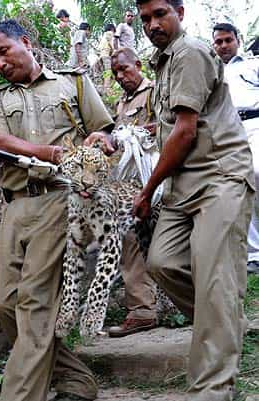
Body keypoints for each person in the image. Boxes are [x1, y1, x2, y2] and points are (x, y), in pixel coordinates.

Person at [0, 19, 114, 401]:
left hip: (61, 199)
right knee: (5, 303)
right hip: (17, 204)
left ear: (25, 42)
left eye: (4, 51)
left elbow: (103, 129)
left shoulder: (71, 82)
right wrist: (48, 151)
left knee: (35, 302)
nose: (0, 63)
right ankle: (75, 380)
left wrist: (99, 140)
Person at [133, 1, 255, 401]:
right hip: (184, 184)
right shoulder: (162, 63)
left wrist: (147, 190)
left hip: (220, 176)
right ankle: (224, 324)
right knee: (163, 262)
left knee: (216, 281)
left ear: (179, 13)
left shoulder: (190, 53)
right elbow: (171, 126)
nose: (152, 24)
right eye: (145, 17)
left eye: (159, 14)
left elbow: (185, 133)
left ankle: (213, 389)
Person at [108, 47, 158, 337]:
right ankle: (141, 309)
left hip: (157, 179)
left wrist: (139, 133)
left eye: (124, 69)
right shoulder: (121, 103)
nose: (120, 76)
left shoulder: (153, 93)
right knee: (131, 238)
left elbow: (168, 126)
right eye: (115, 72)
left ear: (138, 65)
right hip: (131, 183)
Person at [213, 22, 259, 274]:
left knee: (257, 173)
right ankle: (254, 253)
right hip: (229, 132)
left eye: (227, 40)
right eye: (218, 42)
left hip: (256, 123)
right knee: (241, 185)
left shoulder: (253, 63)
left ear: (237, 40)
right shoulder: (212, 70)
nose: (223, 46)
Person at [97, 23, 116, 92]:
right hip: (106, 55)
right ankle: (107, 88)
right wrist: (113, 50)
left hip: (101, 56)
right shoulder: (110, 33)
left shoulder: (103, 36)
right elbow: (110, 43)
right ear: (112, 29)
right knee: (108, 71)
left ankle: (103, 87)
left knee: (104, 72)